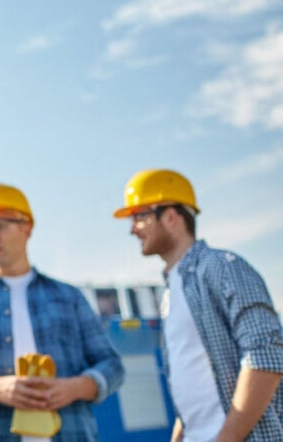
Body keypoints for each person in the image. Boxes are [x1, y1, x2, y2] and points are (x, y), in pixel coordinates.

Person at [0, 183, 124, 441]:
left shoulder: (69, 297)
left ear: (27, 228)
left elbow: (112, 366)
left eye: (0, 225)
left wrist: (75, 387)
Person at [114, 168, 283, 441]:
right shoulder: (170, 294)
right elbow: (194, 388)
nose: (133, 229)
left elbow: (265, 356)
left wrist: (226, 438)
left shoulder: (222, 267)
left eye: (140, 216)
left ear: (170, 216)